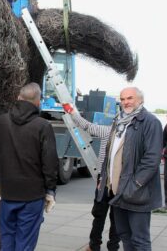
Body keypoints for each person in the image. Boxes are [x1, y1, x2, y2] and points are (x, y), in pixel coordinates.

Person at [0, 82, 58, 250]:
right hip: (32, 195)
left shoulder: (1, 122)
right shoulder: (43, 126)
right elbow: (49, 162)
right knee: (25, 241)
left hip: (8, 192)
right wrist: (50, 190)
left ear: (18, 98)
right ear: (38, 102)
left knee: (7, 238)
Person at [102, 87, 162, 251]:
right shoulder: (118, 121)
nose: (125, 102)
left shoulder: (150, 122)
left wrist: (134, 184)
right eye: (122, 99)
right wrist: (105, 180)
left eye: (129, 98)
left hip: (137, 192)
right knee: (124, 235)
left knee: (140, 240)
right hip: (118, 191)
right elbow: (111, 155)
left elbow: (152, 159)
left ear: (140, 100)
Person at [62, 103, 120, 251]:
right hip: (109, 182)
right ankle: (101, 246)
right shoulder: (109, 132)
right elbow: (86, 125)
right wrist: (72, 113)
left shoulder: (109, 131)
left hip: (113, 182)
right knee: (109, 217)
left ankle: (99, 246)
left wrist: (72, 112)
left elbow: (87, 125)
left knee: (106, 217)